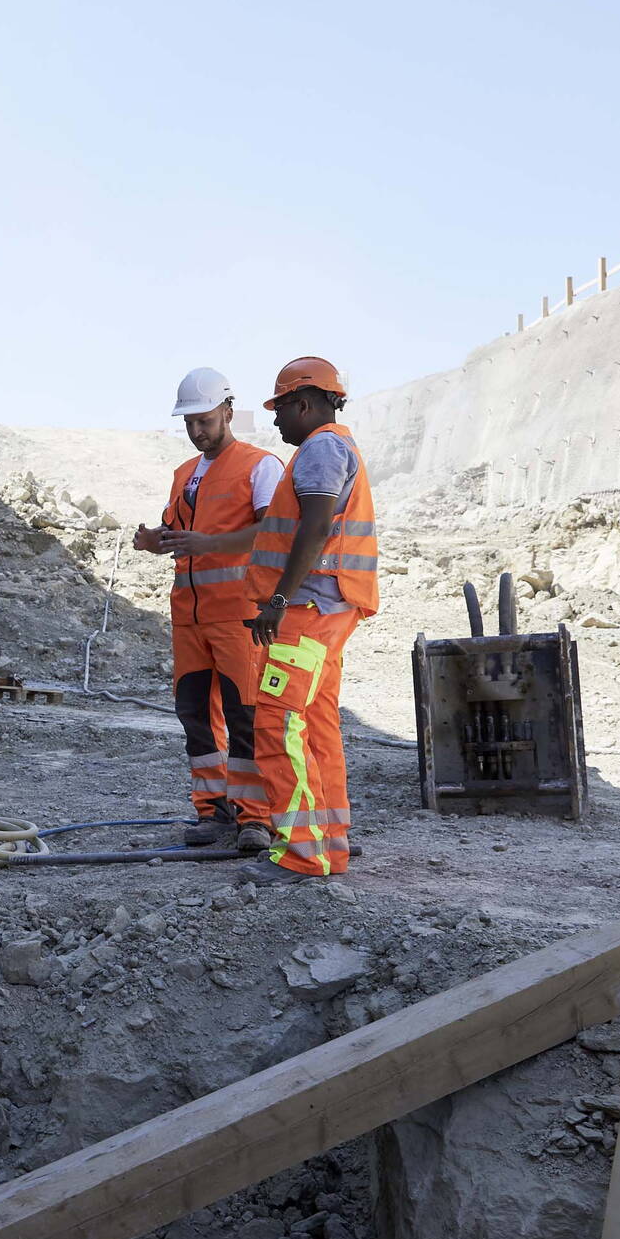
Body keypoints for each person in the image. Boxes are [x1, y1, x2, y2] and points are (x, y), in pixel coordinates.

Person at [131, 367, 286, 853]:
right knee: (195, 715)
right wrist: (154, 541)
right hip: (189, 619)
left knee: (245, 716)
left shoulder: (260, 466)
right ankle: (213, 810)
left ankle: (255, 819)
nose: (197, 431)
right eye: (189, 423)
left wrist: (208, 542)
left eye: (204, 420)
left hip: (240, 615)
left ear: (227, 412)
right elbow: (178, 536)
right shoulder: (184, 474)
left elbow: (272, 531)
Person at [243, 358, 378, 880]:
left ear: (304, 403)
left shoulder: (320, 447)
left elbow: (316, 527)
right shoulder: (338, 445)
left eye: (279, 410)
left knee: (279, 725)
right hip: (328, 608)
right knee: (315, 726)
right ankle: (328, 842)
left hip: (308, 611)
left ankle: (303, 855)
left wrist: (277, 601)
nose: (276, 423)